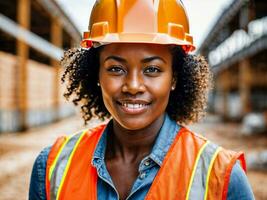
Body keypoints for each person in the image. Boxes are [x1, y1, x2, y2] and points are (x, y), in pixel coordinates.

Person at [29, 0, 255, 199]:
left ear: (174, 78)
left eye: (152, 69)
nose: (133, 86)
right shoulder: (51, 167)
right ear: (97, 74)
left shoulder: (222, 177)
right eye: (116, 68)